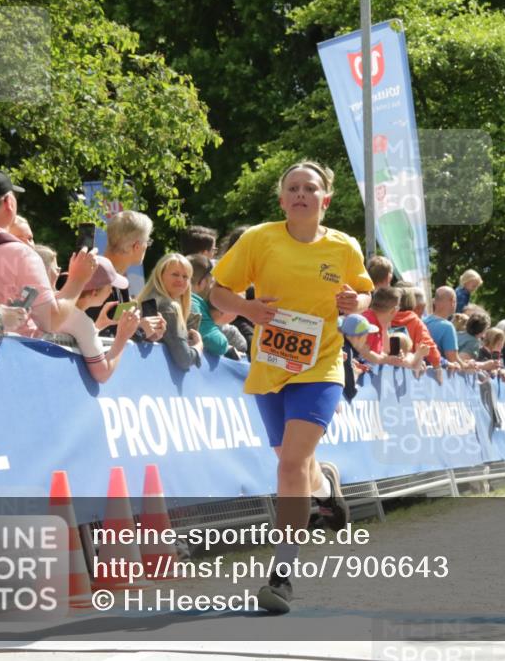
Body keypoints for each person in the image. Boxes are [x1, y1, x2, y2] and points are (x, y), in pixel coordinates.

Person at [208, 160, 374, 614]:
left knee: (290, 465)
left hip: (321, 365)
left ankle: (281, 576)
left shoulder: (343, 246)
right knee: (292, 462)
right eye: (294, 188)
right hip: (271, 365)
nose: (302, 194)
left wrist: (355, 300)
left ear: (326, 199)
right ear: (282, 200)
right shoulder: (259, 238)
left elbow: (364, 293)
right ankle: (325, 486)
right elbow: (217, 292)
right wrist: (248, 308)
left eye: (310, 188)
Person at [0, 167, 97, 337]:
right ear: (9, 202)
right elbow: (51, 320)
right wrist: (77, 280)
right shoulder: (21, 254)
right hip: (12, 350)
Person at [84, 210, 165, 342]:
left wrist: (148, 332)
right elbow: (102, 333)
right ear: (136, 246)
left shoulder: (114, 279)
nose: (147, 246)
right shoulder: (100, 276)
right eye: (147, 241)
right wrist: (140, 330)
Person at [64, 256, 141, 382]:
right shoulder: (82, 323)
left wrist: (98, 325)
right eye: (110, 286)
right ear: (94, 292)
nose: (111, 292)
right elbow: (102, 374)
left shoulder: (57, 303)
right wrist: (123, 336)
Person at [137, 253, 204, 371]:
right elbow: (184, 359)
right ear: (160, 275)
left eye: (185, 277)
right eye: (175, 274)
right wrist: (198, 347)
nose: (180, 280)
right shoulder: (169, 307)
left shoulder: (148, 300)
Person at [188, 254, 236, 358]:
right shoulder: (193, 304)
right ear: (203, 282)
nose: (212, 287)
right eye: (212, 282)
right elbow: (218, 344)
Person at [423, 286, 462, 369]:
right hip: (437, 374)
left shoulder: (422, 321)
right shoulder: (448, 327)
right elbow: (453, 360)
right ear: (452, 301)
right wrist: (469, 365)